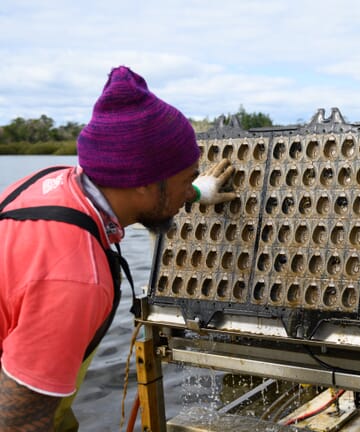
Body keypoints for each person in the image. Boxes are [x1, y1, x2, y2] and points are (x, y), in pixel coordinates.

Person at [0, 66, 236, 431]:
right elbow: (17, 421)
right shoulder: (76, 277)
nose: (187, 190)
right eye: (186, 177)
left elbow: (156, 189)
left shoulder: (50, 182)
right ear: (143, 183)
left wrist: (194, 192)